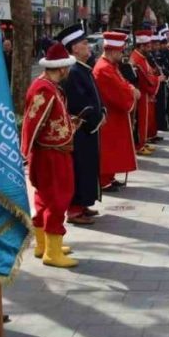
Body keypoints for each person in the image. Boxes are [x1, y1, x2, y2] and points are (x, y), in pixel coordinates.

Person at [21, 43, 80, 268]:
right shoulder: (44, 90)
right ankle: (52, 252)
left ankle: (43, 244)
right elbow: (32, 122)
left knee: (45, 199)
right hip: (51, 155)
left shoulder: (49, 87)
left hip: (53, 152)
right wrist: (24, 153)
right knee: (57, 199)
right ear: (62, 68)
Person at [59, 24, 104, 225]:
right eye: (85, 43)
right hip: (80, 130)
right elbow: (79, 104)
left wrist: (101, 111)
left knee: (88, 167)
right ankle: (75, 209)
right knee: (80, 167)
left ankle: (84, 204)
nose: (89, 47)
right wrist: (95, 117)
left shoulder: (82, 69)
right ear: (74, 48)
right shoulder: (73, 72)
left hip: (88, 131)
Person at [93, 31, 139, 191]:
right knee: (109, 149)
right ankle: (104, 179)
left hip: (115, 115)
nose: (122, 54)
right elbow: (120, 90)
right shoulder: (104, 69)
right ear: (112, 51)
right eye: (120, 51)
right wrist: (132, 92)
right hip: (110, 116)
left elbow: (123, 83)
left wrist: (130, 88)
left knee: (114, 148)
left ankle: (109, 177)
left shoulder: (111, 66)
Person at [130, 30, 161, 156]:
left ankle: (143, 142)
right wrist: (158, 79)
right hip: (141, 94)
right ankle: (139, 145)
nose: (150, 49)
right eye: (147, 46)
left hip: (144, 94)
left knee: (145, 120)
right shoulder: (137, 59)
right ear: (141, 46)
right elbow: (145, 78)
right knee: (140, 120)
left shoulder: (142, 57)